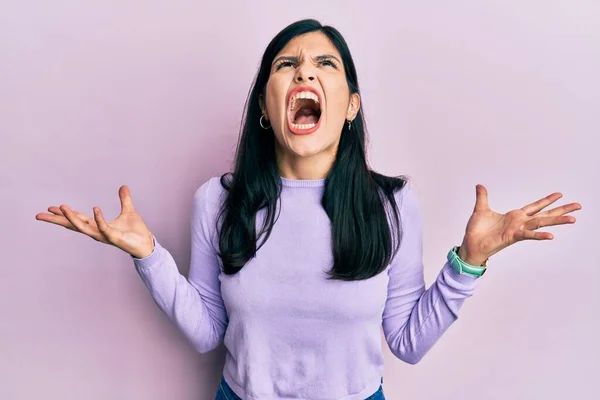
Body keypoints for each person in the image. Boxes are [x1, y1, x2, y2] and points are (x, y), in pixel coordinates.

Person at [35, 19, 582, 400]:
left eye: (325, 63)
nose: (304, 73)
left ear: (350, 106)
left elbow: (408, 343)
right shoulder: (217, 201)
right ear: (266, 113)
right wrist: (148, 255)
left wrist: (469, 261)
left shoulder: (390, 205)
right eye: (286, 65)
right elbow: (206, 332)